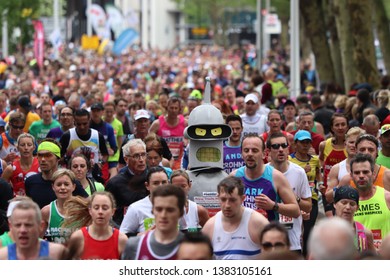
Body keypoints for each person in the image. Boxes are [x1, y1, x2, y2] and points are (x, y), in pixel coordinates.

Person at [231, 134, 300, 222]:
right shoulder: (234, 177)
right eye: (246, 150)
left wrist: (273, 206)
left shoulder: (276, 177)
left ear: (264, 154)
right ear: (241, 154)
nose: (250, 154)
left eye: (255, 150)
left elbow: (296, 211)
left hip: (268, 232)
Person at [202, 177, 269, 260]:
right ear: (218, 197)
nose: (227, 205)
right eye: (223, 199)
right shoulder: (209, 227)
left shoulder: (259, 223)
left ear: (242, 199)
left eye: (232, 200)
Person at [266, 132, 312, 253]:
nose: (280, 150)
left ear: (288, 149)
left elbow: (308, 207)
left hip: (292, 240)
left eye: (284, 146)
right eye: (276, 146)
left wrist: (294, 199)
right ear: (268, 151)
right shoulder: (262, 172)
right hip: (266, 239)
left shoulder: (299, 172)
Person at [121, 185, 186, 260]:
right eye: (159, 209)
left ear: (181, 212)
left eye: (170, 210)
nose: (163, 215)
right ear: (152, 211)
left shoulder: (193, 247)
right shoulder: (134, 245)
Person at [25, 139, 88, 209]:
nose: (43, 159)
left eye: (48, 155)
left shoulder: (70, 182)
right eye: (40, 155)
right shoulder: (30, 181)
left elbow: (88, 205)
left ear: (58, 158)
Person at [288, 130, 323, 256]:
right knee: (293, 229)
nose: (305, 145)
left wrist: (320, 184)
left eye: (308, 142)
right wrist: (302, 170)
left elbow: (318, 174)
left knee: (308, 230)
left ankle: (306, 257)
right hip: (293, 199)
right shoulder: (289, 160)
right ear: (295, 144)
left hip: (310, 198)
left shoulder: (315, 160)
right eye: (302, 142)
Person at [64, 191, 128, 259]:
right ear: (90, 211)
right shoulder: (78, 237)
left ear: (113, 211)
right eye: (96, 208)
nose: (100, 212)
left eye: (105, 208)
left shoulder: (121, 239)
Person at [0, 199, 67, 260]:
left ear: (41, 226)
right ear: (10, 226)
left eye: (28, 225)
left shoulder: (57, 252)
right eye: (18, 225)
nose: (23, 230)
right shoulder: (3, 256)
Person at [106, 139, 149, 226]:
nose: (141, 160)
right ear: (126, 159)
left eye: (143, 155)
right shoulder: (115, 183)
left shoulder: (154, 178)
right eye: (136, 156)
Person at [351, 154, 390, 248]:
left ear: (373, 174)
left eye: (365, 172)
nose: (361, 176)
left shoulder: (387, 197)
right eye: (357, 173)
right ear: (351, 175)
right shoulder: (347, 202)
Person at [119, 166, 169, 236]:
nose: (160, 186)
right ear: (147, 186)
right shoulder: (136, 208)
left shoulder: (179, 205)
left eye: (164, 182)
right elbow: (122, 236)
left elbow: (184, 231)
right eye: (156, 183)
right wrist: (142, 235)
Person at [325, 127, 366, 202]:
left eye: (357, 143)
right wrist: (341, 186)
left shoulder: (371, 167)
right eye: (351, 142)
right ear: (345, 144)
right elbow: (328, 197)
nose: (354, 145)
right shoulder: (337, 168)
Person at [333, 185, 375, 252]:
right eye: (344, 203)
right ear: (334, 204)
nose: (348, 207)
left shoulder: (365, 233)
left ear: (357, 208)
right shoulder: (324, 232)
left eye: (352, 204)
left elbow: (373, 259)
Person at [149, 96, 187, 170]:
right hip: (162, 162)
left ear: (179, 109)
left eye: (176, 108)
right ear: (167, 107)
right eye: (171, 108)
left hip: (180, 163)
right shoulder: (157, 124)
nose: (173, 110)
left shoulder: (185, 123)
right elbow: (149, 142)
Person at [41, 169, 76, 244]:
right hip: (57, 254)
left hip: (79, 255)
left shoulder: (82, 209)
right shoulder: (47, 211)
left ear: (73, 187)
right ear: (53, 187)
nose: (62, 188)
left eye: (66, 184)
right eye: (59, 184)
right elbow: (37, 240)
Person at [89, 102, 118, 180]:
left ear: (102, 112)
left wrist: (111, 151)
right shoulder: (86, 126)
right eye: (93, 111)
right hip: (87, 160)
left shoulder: (108, 128)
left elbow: (114, 147)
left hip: (102, 161)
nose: (95, 113)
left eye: (98, 111)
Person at [103, 101, 124, 178]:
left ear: (114, 112)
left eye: (111, 112)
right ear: (103, 111)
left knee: (113, 177)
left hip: (114, 156)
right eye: (107, 111)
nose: (109, 114)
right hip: (101, 156)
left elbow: (119, 142)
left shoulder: (118, 124)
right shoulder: (100, 122)